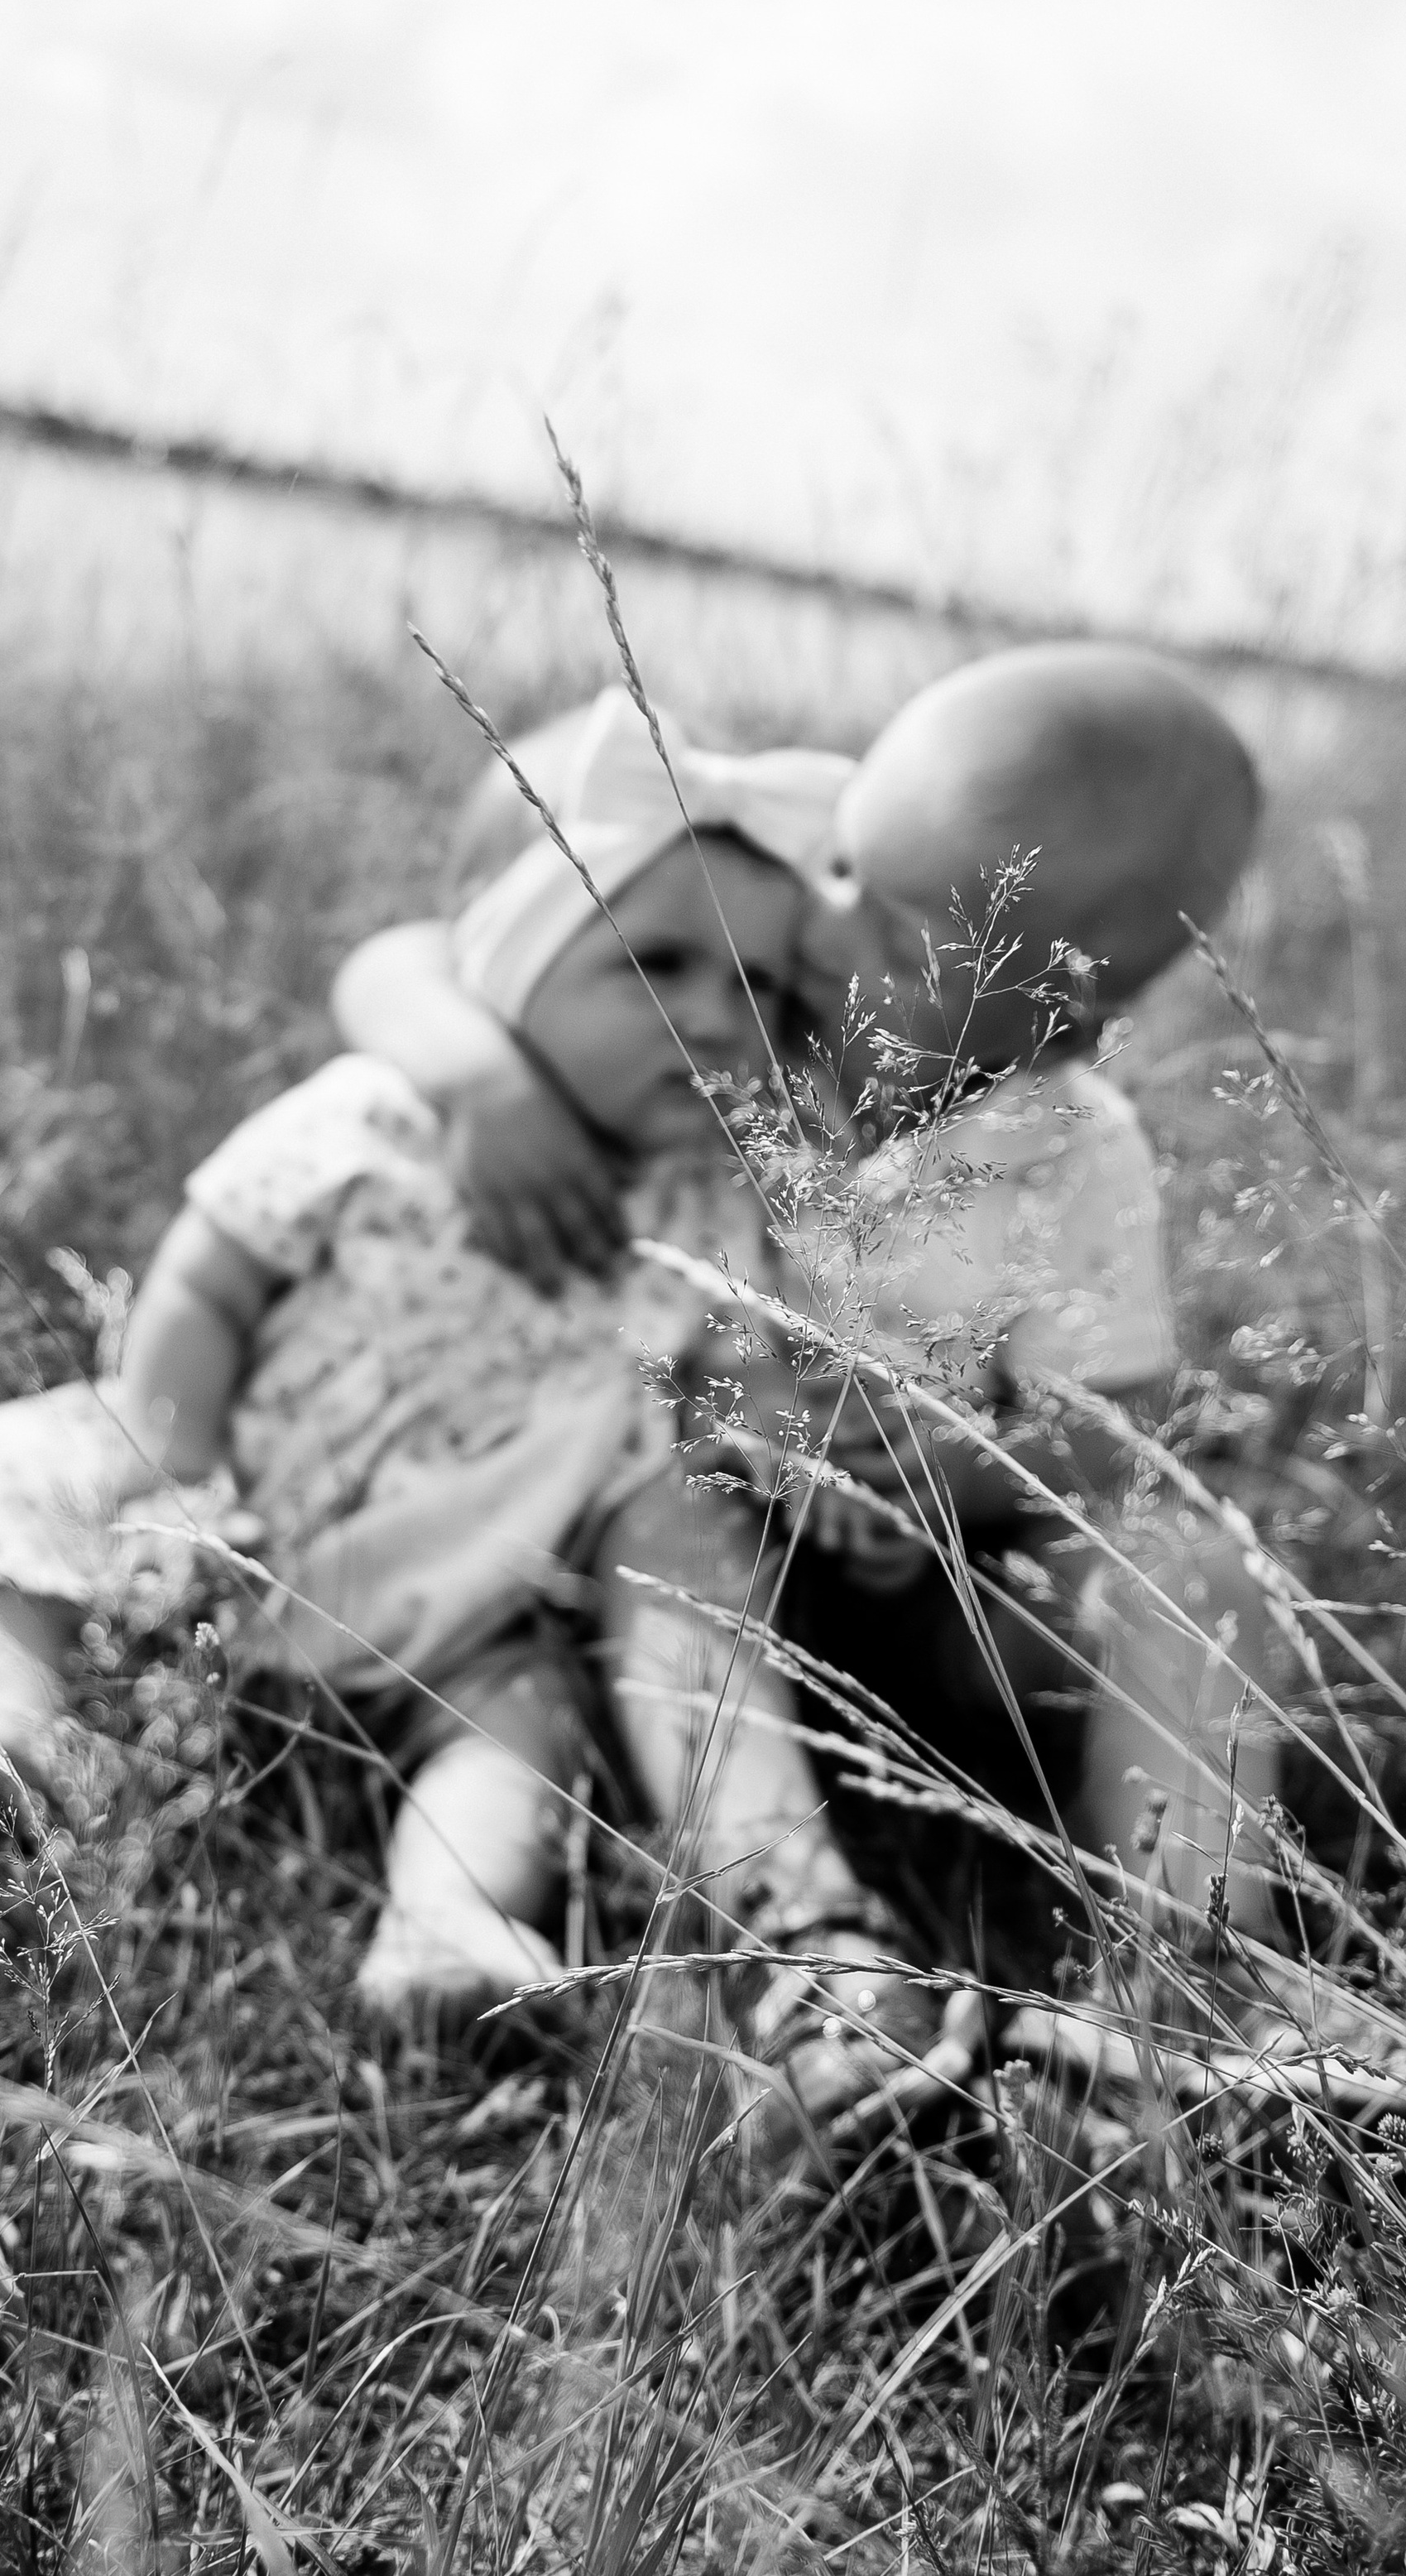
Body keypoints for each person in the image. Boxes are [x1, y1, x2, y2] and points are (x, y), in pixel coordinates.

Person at [331, 644, 1286, 2106]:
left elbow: (1114, 1442)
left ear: (1069, 1014)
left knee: (1188, 1568)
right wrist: (482, 1081)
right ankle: (809, 1937)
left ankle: (1184, 1974)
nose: (828, 920)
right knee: (668, 1529)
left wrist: (944, 1453)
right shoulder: (740, 999)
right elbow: (410, 952)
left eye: (901, 931)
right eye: (840, 860)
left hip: (941, 1596)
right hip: (697, 1551)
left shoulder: (1072, 1151)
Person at [0, 694, 852, 2030]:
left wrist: (791, 1435)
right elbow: (215, 1263)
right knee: (15, 1482)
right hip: (238, 1495)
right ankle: (11, 1716)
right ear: (505, 965)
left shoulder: (706, 1207)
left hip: (452, 1605)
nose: (718, 1018)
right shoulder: (381, 1115)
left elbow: (734, 1390)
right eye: (659, 965)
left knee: (520, 1724)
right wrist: (177, 1453)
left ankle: (445, 1918)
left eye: (759, 987)